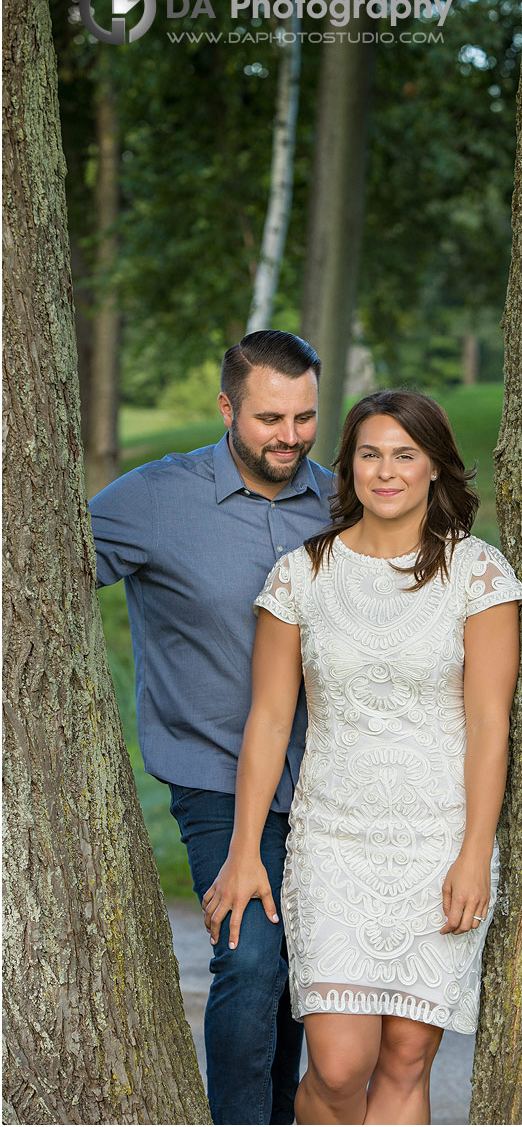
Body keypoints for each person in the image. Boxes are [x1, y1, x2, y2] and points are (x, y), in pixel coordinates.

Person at [203, 389, 522, 1125]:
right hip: (335, 847)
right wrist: (246, 850)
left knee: (406, 1063)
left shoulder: (478, 575)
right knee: (340, 1070)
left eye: (404, 455)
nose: (386, 472)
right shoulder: (300, 575)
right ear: (347, 468)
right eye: (369, 454)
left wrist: (474, 853)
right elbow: (270, 719)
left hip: (439, 845)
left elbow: (488, 722)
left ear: (435, 468)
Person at [89, 330, 334, 1125]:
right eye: (269, 418)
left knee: (305, 974)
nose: (288, 436)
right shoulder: (153, 499)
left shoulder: (342, 502)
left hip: (334, 780)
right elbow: (32, 566)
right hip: (215, 777)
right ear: (227, 407)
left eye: (303, 417)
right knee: (253, 960)